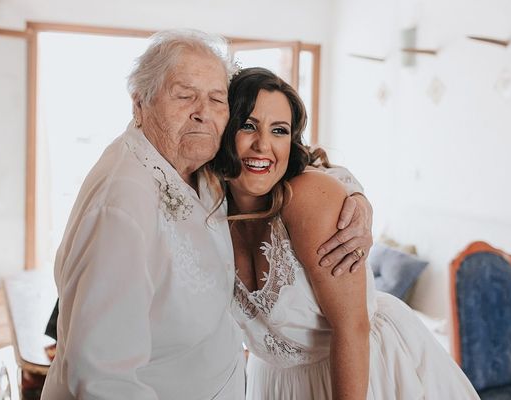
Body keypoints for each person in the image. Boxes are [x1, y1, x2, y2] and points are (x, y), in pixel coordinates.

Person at [41, 30, 373, 399]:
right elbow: (101, 375)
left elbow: (295, 163)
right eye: (184, 96)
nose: (202, 112)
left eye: (216, 99)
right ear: (139, 104)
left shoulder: (205, 167)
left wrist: (355, 196)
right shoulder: (123, 203)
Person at [213, 67, 480, 399]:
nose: (263, 144)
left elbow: (352, 328)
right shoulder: (208, 209)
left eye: (279, 130)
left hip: (363, 368)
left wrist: (356, 197)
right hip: (274, 379)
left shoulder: (308, 198)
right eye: (248, 125)